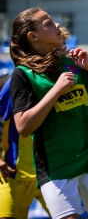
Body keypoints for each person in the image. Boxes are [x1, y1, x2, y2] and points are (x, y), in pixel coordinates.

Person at [9, 7, 88, 219]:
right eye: (48, 23)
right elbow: (23, 126)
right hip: (56, 165)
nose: (57, 25)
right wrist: (56, 90)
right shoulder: (23, 75)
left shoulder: (75, 64)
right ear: (33, 36)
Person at [1, 78, 50, 219]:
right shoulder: (17, 80)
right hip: (13, 175)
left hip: (51, 174)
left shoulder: (60, 78)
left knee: (73, 215)